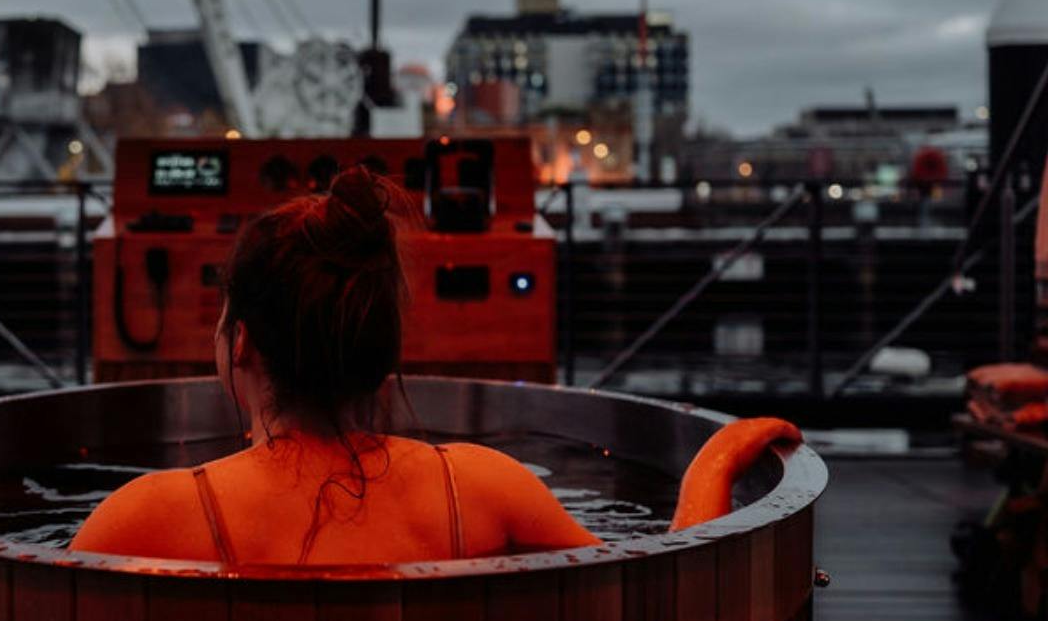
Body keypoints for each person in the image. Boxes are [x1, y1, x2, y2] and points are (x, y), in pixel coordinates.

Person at [68, 165, 800, 564]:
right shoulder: (484, 488)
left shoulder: (148, 517)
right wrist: (716, 460)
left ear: (243, 342)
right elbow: (670, 595)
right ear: (381, 346)